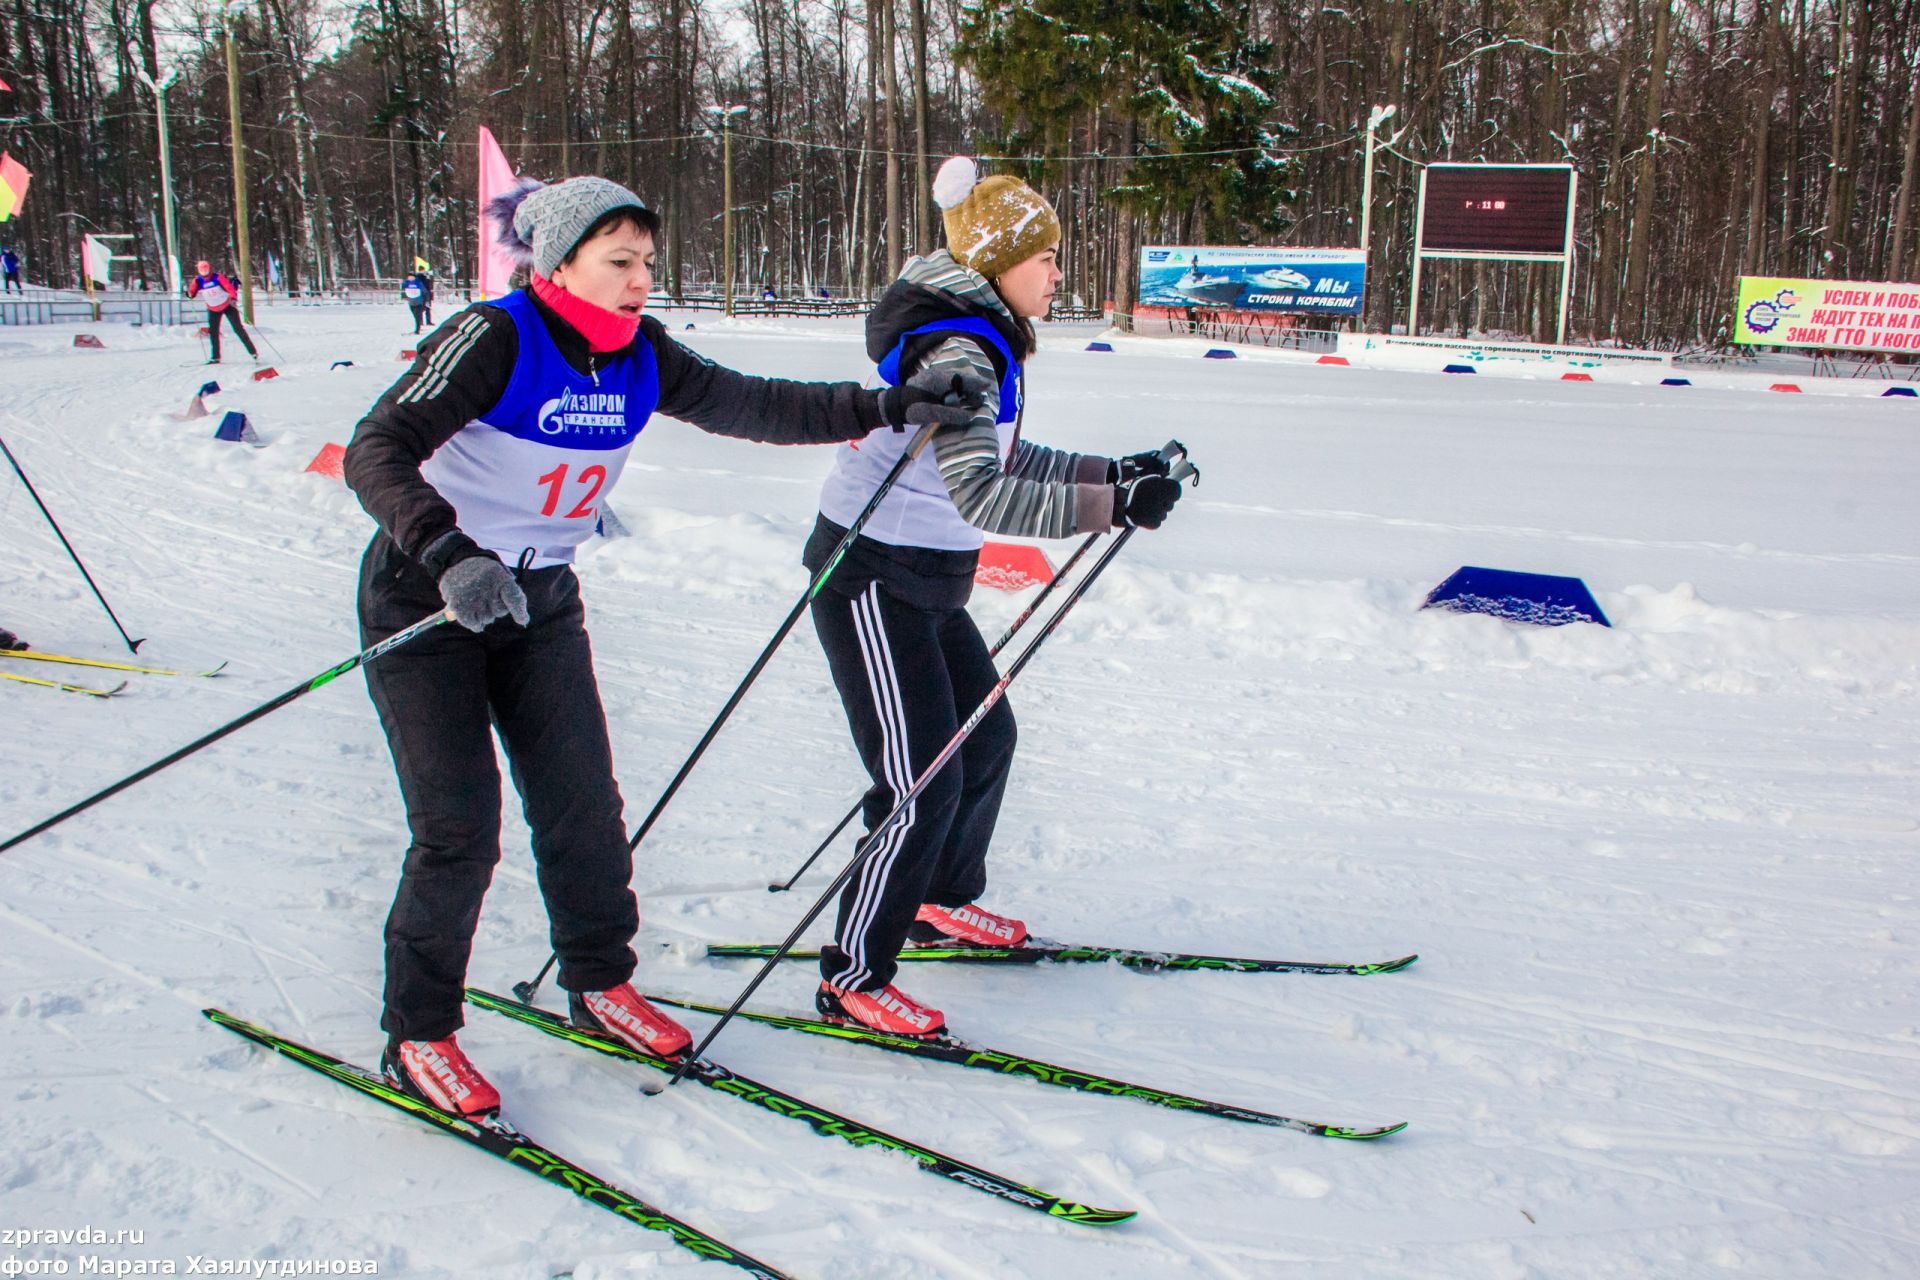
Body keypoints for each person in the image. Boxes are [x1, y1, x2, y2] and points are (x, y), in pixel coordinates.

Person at [342, 175, 986, 1118]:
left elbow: (758, 405)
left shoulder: (640, 352)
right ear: (559, 263)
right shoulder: (497, 336)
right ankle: (419, 1033)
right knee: (459, 830)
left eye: (648, 260)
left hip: (540, 601)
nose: (643, 278)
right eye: (620, 261)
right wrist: (446, 552)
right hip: (430, 599)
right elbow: (376, 445)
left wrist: (893, 404)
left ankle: (600, 981)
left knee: (583, 808)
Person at [802, 156, 1186, 1039]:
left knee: (987, 738)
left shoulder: (988, 338)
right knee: (920, 781)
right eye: (1046, 258)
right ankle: (853, 977)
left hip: (930, 579)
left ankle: (936, 899)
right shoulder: (961, 347)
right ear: (999, 264)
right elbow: (986, 495)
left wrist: (1112, 472)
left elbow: (1005, 458)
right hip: (870, 578)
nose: (1057, 273)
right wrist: (1110, 506)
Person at [187, 260, 257, 363]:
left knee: (238, 329)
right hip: (213, 308)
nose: (204, 271)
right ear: (199, 270)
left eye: (206, 268)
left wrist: (233, 298)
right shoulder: (197, 281)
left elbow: (229, 288)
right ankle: (215, 357)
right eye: (202, 269)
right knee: (213, 332)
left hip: (227, 305)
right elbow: (192, 293)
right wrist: (189, 294)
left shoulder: (217, 277)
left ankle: (252, 352)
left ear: (209, 268)